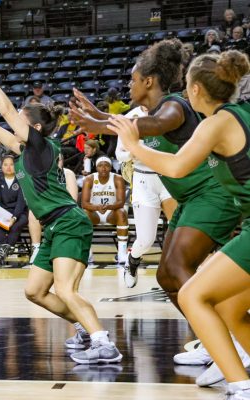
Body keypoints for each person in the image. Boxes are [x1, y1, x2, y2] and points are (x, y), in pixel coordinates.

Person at [70, 39, 241, 372]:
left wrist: (104, 123)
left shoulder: (174, 106)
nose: (129, 86)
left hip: (213, 194)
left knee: (178, 267)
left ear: (148, 81)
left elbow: (157, 125)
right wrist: (99, 116)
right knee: (166, 275)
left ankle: (231, 346)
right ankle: (211, 343)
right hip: (193, 198)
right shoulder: (149, 112)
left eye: (133, 80)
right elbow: (136, 125)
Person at [108, 49, 250, 400]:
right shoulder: (241, 114)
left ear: (197, 90)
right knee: (230, 307)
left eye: (186, 88)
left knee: (192, 293)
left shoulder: (216, 123)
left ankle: (241, 386)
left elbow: (174, 167)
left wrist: (132, 145)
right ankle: (234, 362)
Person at [0, 46, 122, 364]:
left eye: (21, 123)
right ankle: (84, 328)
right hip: (54, 227)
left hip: (67, 221)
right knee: (35, 291)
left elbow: (8, 111)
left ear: (34, 129)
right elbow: (6, 133)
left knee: (65, 290)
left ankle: (104, 343)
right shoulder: (27, 151)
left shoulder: (42, 145)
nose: (14, 127)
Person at [115, 106, 177, 287]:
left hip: (167, 176)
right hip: (143, 179)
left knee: (177, 229)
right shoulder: (130, 117)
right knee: (146, 240)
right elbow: (120, 154)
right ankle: (132, 260)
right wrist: (134, 151)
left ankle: (176, 269)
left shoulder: (171, 111)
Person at [81, 156, 128, 264]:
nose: (103, 168)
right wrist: (97, 207)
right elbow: (84, 203)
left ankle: (121, 253)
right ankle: (87, 252)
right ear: (96, 167)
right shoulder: (89, 179)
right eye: (100, 165)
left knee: (121, 212)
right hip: (95, 213)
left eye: (106, 165)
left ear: (111, 167)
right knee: (84, 213)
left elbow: (121, 202)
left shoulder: (118, 178)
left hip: (111, 212)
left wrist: (108, 207)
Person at [0, 154, 28, 265]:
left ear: (15, 166)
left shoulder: (21, 179)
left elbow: (21, 202)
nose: (8, 167)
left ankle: (2, 252)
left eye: (11, 164)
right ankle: (3, 252)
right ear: (1, 167)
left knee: (16, 225)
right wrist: (2, 217)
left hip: (20, 212)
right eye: (5, 164)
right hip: (3, 211)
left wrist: (14, 217)